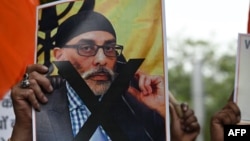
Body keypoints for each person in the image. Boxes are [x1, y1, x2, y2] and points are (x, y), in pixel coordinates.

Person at [9, 9, 200, 141]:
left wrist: (165, 118)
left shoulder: (140, 107)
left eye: (109, 48)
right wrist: (24, 126)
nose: (102, 59)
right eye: (86, 47)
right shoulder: (39, 106)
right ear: (60, 56)